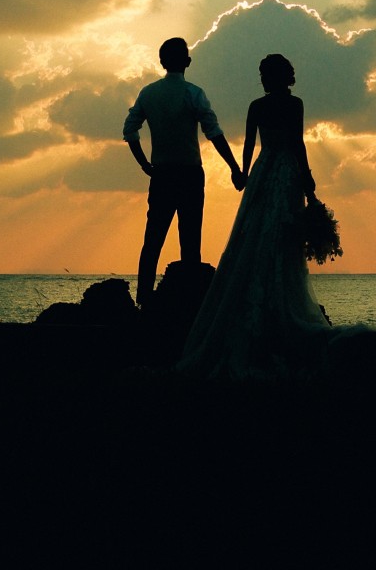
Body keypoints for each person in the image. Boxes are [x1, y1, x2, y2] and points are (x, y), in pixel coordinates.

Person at [177, 51, 331, 379]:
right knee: (270, 231)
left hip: (272, 170)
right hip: (283, 170)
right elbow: (279, 143)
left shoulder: (264, 106)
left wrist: (248, 172)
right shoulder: (287, 104)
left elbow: (263, 143)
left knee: (267, 231)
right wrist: (304, 179)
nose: (261, 79)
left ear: (277, 76)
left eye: (265, 74)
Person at [122, 36, 243, 304]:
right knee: (190, 240)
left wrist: (144, 164)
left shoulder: (148, 93)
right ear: (187, 61)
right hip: (189, 173)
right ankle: (189, 300)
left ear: (162, 61)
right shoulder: (193, 93)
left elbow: (130, 130)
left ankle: (143, 298)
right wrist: (234, 167)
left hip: (161, 174)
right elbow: (214, 132)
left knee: (152, 239)